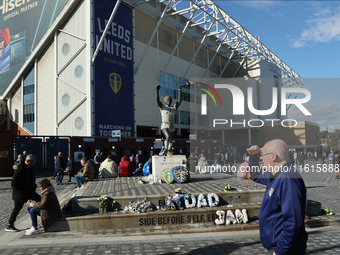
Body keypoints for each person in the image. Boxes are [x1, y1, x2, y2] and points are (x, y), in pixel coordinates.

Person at [247, 139, 308, 255]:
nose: (261, 158)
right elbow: (255, 175)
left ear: (273, 156)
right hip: (278, 248)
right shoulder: (276, 175)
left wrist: (279, 251)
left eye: (262, 155)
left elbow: (293, 221)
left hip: (285, 250)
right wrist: (253, 157)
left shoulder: (287, 179)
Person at [6, 154, 41, 232]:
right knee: (17, 208)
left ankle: (45, 217)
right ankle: (10, 225)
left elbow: (32, 180)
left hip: (28, 191)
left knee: (39, 199)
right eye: (32, 163)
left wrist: (33, 188)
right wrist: (23, 196)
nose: (32, 165)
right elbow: (14, 183)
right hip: (19, 194)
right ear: (27, 161)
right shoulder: (20, 170)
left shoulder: (29, 169)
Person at [156, 84, 182, 156]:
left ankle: (169, 151)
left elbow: (180, 101)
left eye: (170, 100)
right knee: (168, 136)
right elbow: (157, 100)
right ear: (164, 101)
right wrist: (157, 90)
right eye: (167, 99)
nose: (169, 101)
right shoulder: (163, 107)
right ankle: (166, 148)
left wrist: (180, 91)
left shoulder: (173, 108)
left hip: (172, 125)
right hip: (164, 124)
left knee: (171, 140)